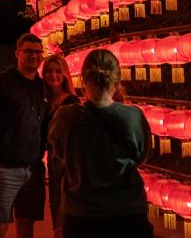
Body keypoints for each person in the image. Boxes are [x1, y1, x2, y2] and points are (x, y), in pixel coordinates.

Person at [48, 48, 152, 238]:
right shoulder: (133, 116)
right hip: (128, 213)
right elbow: (142, 157)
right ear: (117, 80)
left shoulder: (66, 117)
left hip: (83, 214)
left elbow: (59, 153)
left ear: (83, 80)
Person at [0, 33, 48, 238]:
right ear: (17, 54)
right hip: (4, 169)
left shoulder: (43, 87)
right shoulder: (1, 82)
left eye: (38, 52)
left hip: (33, 169)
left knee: (26, 227)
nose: (33, 56)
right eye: (28, 51)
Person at [42, 54, 79, 238]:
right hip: (53, 164)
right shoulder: (44, 102)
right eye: (49, 71)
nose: (53, 75)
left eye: (58, 71)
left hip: (68, 165)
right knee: (56, 208)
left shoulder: (71, 102)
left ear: (65, 74)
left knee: (65, 214)